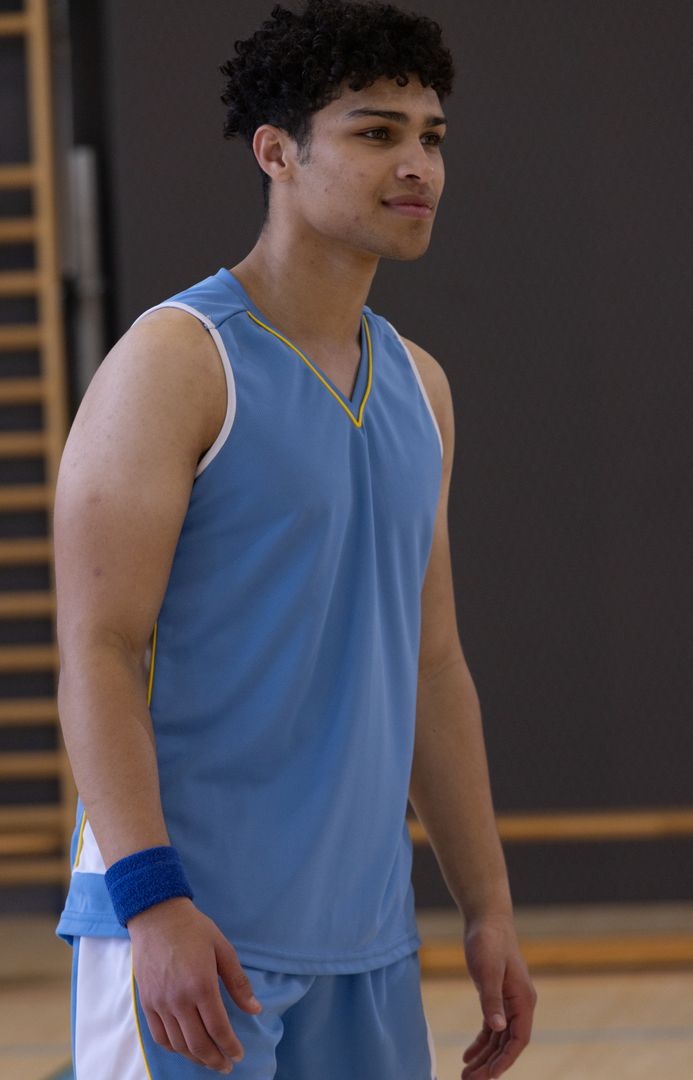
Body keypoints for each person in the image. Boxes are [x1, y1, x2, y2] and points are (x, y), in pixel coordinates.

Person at [54, 1, 537, 1077]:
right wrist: (152, 902)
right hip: (187, 931)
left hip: (363, 944)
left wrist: (489, 904)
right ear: (277, 152)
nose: (418, 164)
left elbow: (432, 662)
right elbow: (98, 650)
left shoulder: (423, 387)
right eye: (377, 133)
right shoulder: (176, 363)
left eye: (431, 136)